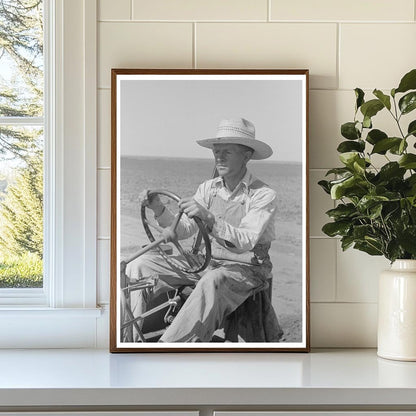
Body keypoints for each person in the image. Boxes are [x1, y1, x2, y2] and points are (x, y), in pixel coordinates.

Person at [125, 117, 282, 343]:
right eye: (216, 151)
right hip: (205, 262)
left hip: (247, 268)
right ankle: (129, 339)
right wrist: (159, 208)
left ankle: (171, 348)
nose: (219, 156)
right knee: (139, 265)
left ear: (246, 156)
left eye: (227, 151)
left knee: (212, 280)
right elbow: (184, 229)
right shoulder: (208, 188)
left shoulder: (263, 195)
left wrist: (209, 218)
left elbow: (246, 241)